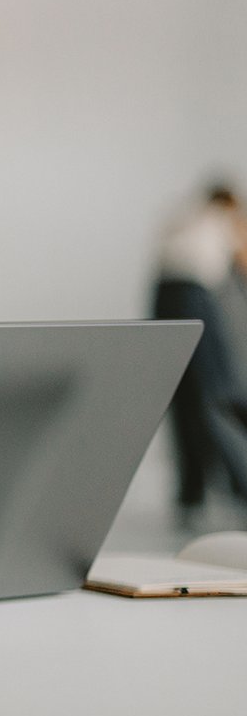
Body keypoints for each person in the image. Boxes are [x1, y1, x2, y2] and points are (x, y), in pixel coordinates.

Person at [152, 184, 247, 516]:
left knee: (182, 395)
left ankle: (191, 489)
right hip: (193, 295)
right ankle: (243, 483)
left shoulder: (183, 217)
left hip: (163, 295)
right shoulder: (224, 218)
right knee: (216, 395)